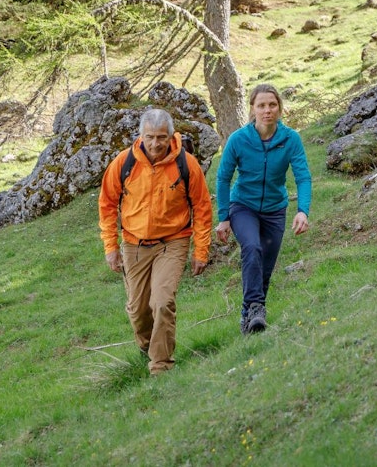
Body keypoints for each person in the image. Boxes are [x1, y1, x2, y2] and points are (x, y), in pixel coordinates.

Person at [98, 108, 212, 375]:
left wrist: (201, 251)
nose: (155, 144)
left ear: (171, 135)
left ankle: (160, 366)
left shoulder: (187, 164)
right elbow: (106, 204)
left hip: (173, 242)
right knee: (138, 310)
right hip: (133, 243)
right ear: (140, 135)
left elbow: (203, 208)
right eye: (149, 137)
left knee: (162, 301)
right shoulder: (124, 163)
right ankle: (148, 346)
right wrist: (111, 247)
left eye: (161, 137)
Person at [214, 83, 312, 335]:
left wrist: (303, 210)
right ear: (253, 109)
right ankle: (256, 308)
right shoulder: (238, 139)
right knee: (252, 247)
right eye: (261, 105)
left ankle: (250, 317)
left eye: (272, 105)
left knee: (265, 267)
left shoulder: (291, 139)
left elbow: (303, 176)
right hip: (243, 206)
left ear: (279, 108)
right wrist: (223, 217)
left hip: (275, 209)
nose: (267, 110)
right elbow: (223, 178)